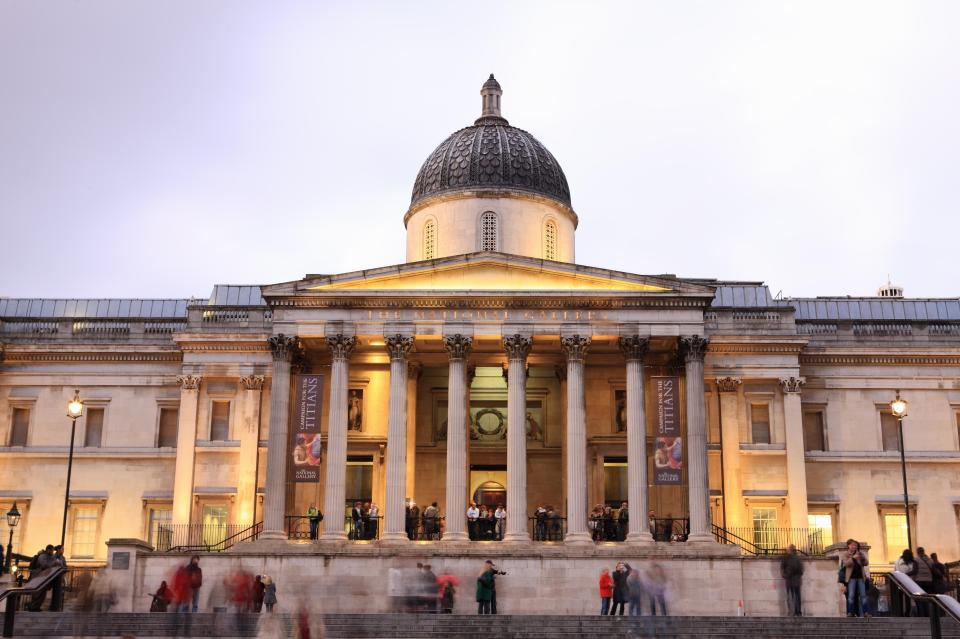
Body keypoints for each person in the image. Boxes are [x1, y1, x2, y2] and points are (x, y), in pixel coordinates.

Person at [842, 539, 869, 617]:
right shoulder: (846, 554)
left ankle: (865, 612)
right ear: (849, 546)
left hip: (861, 578)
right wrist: (853, 558)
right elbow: (846, 564)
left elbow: (866, 563)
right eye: (853, 545)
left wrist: (862, 558)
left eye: (856, 545)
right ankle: (850, 612)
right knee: (851, 596)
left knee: (863, 596)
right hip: (851, 578)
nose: (854, 547)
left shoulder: (860, 554)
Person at [780, 543, 804, 617]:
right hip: (794, 580)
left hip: (792, 580)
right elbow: (801, 570)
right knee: (795, 597)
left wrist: (785, 575)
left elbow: (782, 568)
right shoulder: (797, 558)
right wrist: (785, 575)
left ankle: (793, 612)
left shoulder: (787, 558)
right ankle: (797, 612)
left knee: (792, 596)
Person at [914, 547, 935, 615]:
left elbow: (915, 570)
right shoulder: (930, 560)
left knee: (920, 598)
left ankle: (921, 614)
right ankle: (928, 613)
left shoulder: (916, 559)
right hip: (929, 581)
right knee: (927, 598)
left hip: (919, 581)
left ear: (917, 552)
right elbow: (933, 570)